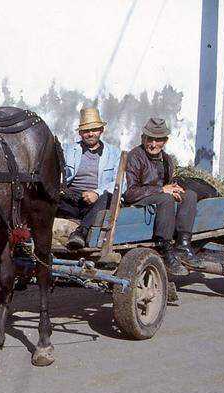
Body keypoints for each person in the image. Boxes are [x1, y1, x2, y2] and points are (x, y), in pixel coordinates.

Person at [123, 118, 198, 275]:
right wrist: (162, 190)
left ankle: (183, 245)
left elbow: (167, 186)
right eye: (150, 139)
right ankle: (164, 247)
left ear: (165, 141)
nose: (153, 144)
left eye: (158, 140)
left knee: (189, 195)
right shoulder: (135, 156)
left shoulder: (167, 159)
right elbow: (130, 192)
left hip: (159, 196)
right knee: (166, 199)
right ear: (143, 138)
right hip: (139, 198)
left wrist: (174, 189)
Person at [58, 107, 121, 250]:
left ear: (101, 130)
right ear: (80, 133)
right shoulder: (68, 149)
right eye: (86, 131)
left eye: (94, 129)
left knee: (107, 196)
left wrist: (97, 193)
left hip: (95, 202)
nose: (90, 134)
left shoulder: (114, 153)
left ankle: (81, 233)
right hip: (71, 198)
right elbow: (58, 172)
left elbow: (120, 182)